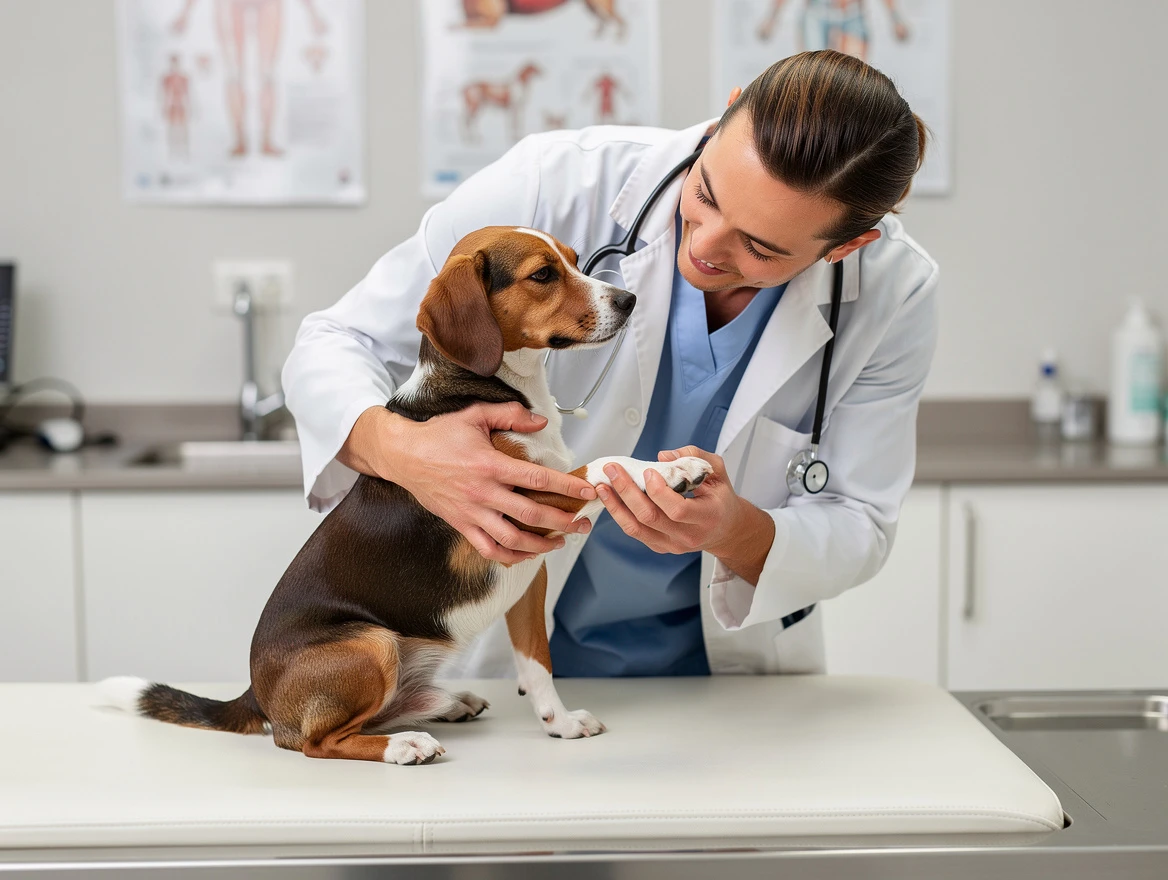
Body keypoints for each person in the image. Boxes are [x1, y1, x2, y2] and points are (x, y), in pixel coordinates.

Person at [282, 50, 939, 678]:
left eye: (760, 247)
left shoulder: (893, 292)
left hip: (727, 674)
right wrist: (407, 454)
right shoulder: (555, 182)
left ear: (851, 243)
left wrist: (734, 529)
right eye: (705, 192)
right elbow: (338, 341)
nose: (704, 246)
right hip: (512, 656)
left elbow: (859, 522)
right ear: (726, 115)